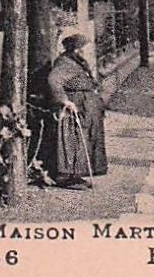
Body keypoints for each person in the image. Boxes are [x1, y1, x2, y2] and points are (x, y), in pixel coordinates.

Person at [39, 32, 108, 187]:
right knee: (74, 141)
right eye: (85, 48)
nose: (88, 52)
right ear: (76, 49)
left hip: (86, 106)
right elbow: (53, 81)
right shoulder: (65, 63)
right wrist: (65, 101)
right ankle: (69, 177)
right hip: (75, 106)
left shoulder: (77, 62)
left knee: (85, 140)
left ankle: (78, 175)